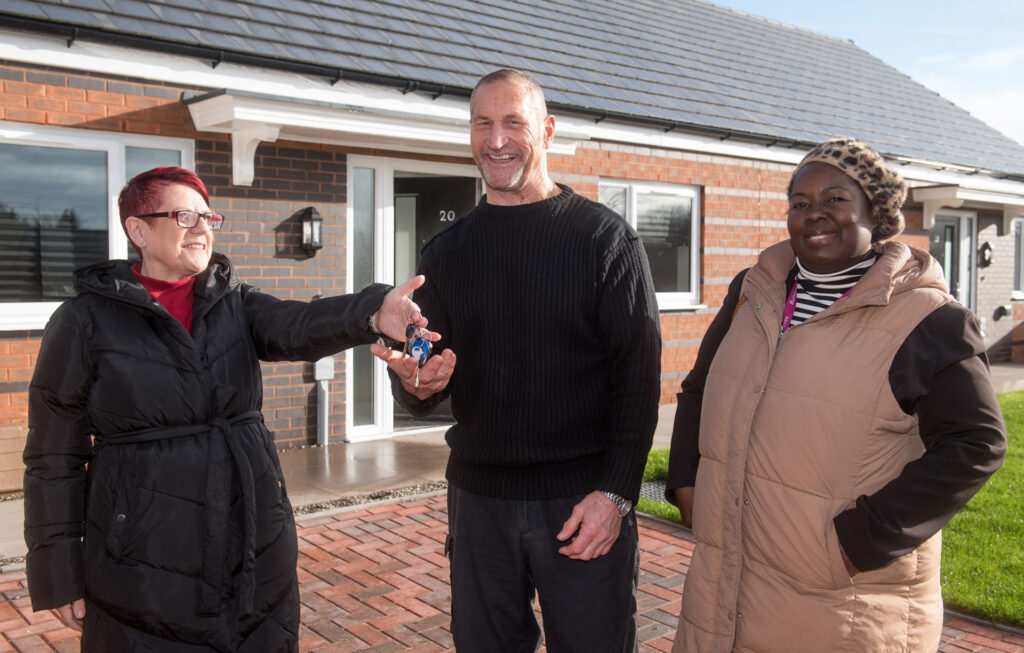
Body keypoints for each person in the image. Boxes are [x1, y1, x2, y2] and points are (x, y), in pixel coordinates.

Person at [23, 166, 439, 651]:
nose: (202, 228)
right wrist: (58, 572)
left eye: (207, 216)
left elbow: (297, 323)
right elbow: (54, 457)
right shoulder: (83, 321)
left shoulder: (233, 301)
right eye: (184, 216)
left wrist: (372, 312)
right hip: (142, 559)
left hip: (254, 541)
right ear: (137, 229)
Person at [665, 138, 1007, 652]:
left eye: (835, 199)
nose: (814, 214)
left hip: (841, 601)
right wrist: (686, 481)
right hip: (727, 577)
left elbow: (976, 444)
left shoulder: (930, 319)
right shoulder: (751, 292)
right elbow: (699, 388)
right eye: (800, 203)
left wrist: (859, 541)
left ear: (876, 208)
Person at [371, 68, 662, 652]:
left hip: (581, 501)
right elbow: (423, 362)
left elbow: (638, 380)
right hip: (479, 505)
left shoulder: (605, 242)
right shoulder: (447, 252)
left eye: (513, 123)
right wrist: (414, 382)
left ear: (547, 130)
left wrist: (616, 494)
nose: (495, 140)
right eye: (482, 123)